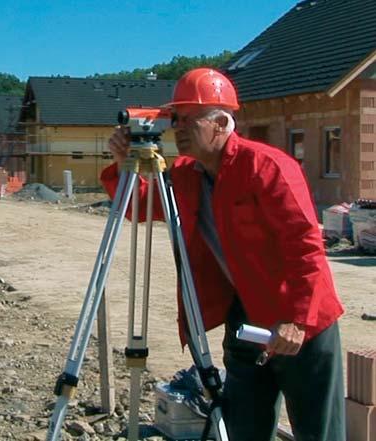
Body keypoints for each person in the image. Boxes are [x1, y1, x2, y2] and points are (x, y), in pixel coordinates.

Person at [101, 68, 345, 441]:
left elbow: (305, 246)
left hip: (300, 323)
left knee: (318, 432)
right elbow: (139, 206)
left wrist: (298, 320)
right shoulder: (186, 174)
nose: (177, 129)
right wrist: (124, 164)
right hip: (246, 320)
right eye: (175, 120)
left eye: (188, 120)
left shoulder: (267, 167)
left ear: (219, 123)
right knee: (243, 427)